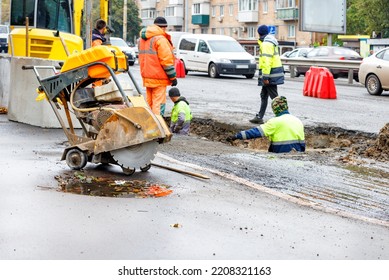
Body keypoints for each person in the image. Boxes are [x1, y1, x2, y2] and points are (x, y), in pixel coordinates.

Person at [227, 96, 305, 153]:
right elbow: (302, 144)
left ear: (275, 109)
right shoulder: (298, 121)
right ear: (286, 107)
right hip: (298, 156)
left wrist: (237, 136)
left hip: (281, 157)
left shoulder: (275, 122)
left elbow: (256, 132)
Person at [139, 17, 177, 116]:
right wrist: (172, 77)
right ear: (163, 28)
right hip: (159, 77)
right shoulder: (160, 39)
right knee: (158, 104)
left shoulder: (143, 39)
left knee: (149, 103)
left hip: (147, 76)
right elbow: (166, 60)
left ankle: (148, 126)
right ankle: (157, 128)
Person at [250, 25, 285, 124]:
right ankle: (259, 116)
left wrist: (265, 77)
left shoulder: (266, 44)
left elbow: (267, 60)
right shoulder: (270, 42)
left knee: (275, 97)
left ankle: (283, 117)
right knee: (264, 95)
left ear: (259, 33)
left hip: (270, 74)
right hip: (271, 73)